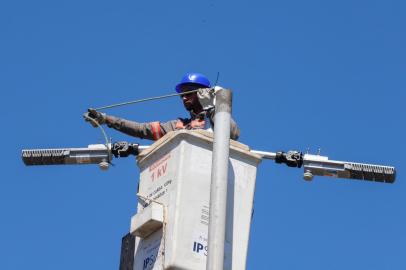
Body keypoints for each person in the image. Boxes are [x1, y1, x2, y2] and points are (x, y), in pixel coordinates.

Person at [83, 72, 240, 141]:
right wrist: (106, 119)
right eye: (181, 95)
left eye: (189, 93)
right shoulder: (178, 126)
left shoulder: (215, 119)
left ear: (202, 93)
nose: (184, 97)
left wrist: (212, 108)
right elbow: (142, 129)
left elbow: (233, 134)